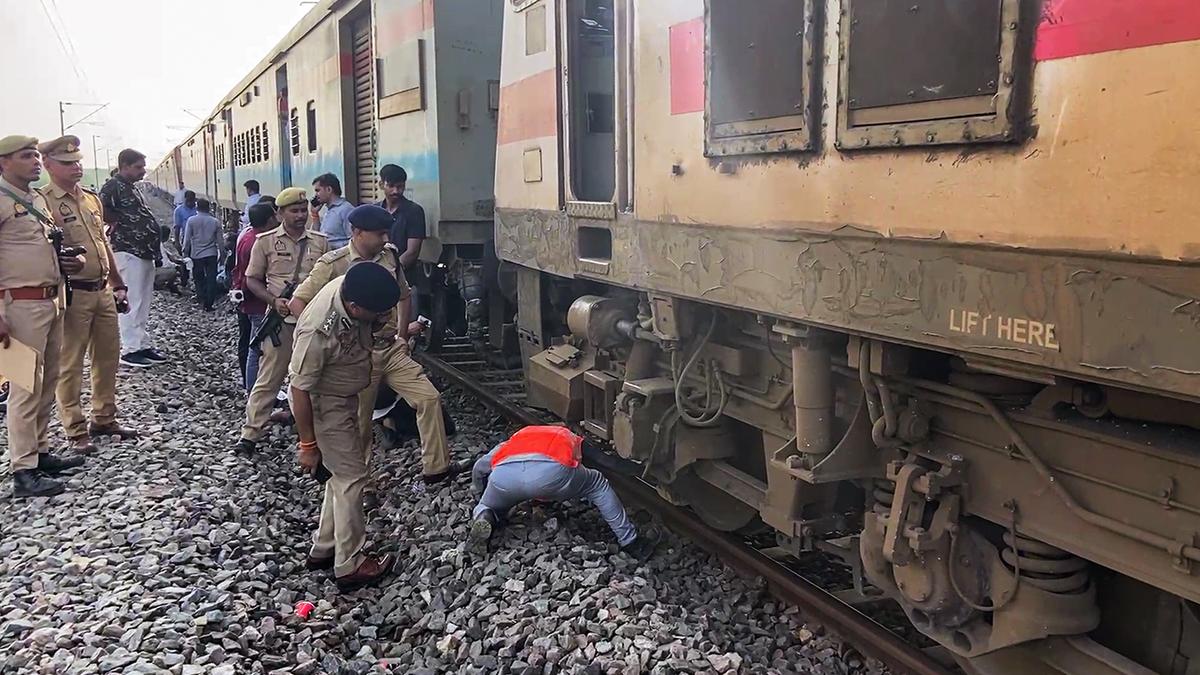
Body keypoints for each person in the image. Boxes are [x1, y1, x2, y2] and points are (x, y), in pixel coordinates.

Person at [289, 204, 460, 500]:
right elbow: (298, 303)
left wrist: (403, 334)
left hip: (390, 348)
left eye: (386, 232)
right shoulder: (334, 264)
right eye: (379, 233)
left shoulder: (390, 256)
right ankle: (362, 483)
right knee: (360, 420)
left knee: (429, 398)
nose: (385, 238)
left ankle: (437, 469)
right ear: (357, 233)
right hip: (355, 357)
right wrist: (328, 342)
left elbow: (404, 296)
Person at [291, 262, 403, 591]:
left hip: (345, 395)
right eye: (377, 312)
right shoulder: (318, 330)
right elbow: (299, 389)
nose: (383, 316)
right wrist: (308, 446)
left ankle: (324, 548)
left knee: (339, 477)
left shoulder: (354, 287)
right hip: (325, 403)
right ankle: (350, 564)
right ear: (355, 308)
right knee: (353, 477)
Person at [38, 135, 138, 452]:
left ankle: (104, 417)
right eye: (67, 163)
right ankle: (74, 429)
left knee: (107, 358)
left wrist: (119, 283)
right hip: (72, 294)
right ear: (48, 165)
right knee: (71, 363)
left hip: (102, 291)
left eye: (78, 162)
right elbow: (39, 250)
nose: (76, 167)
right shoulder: (43, 202)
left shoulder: (91, 199)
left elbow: (103, 243)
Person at [0, 135, 87, 497]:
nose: (36, 161)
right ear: (3, 163)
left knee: (47, 381)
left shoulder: (34, 199)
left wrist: (71, 261)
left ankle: (38, 452)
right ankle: (23, 471)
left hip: (50, 302)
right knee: (24, 388)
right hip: (17, 306)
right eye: (26, 156)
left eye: (37, 156)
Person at [231, 187, 329, 455]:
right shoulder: (265, 241)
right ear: (280, 213)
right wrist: (273, 300)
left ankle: (316, 430)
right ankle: (250, 434)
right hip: (281, 322)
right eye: (293, 211)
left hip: (312, 322)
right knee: (270, 377)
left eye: (302, 210)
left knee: (316, 377)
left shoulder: (320, 242)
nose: (300, 216)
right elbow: (252, 279)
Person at [469, 426, 657, 560]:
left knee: (486, 505)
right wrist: (646, 470)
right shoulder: (566, 434)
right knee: (597, 483)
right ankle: (631, 542)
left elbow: (479, 468)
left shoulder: (516, 439)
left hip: (505, 475)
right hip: (551, 474)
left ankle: (485, 518)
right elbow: (607, 462)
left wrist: (483, 495)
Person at [100, 149, 166, 369]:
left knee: (143, 300)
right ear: (124, 166)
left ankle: (141, 343)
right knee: (132, 300)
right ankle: (130, 350)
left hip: (142, 251)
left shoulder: (131, 188)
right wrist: (116, 221)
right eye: (138, 167)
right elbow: (99, 209)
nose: (142, 171)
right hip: (128, 250)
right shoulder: (113, 187)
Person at [234, 202, 276, 391]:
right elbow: (253, 277)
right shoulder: (257, 242)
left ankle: (253, 387)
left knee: (255, 347)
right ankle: (254, 389)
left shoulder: (247, 236)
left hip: (251, 302)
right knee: (257, 349)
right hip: (258, 303)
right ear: (269, 220)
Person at [379, 165, 426, 273]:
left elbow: (412, 252)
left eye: (400, 187)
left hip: (405, 276)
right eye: (391, 186)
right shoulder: (376, 211)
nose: (396, 191)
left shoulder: (414, 211)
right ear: (381, 185)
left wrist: (394, 272)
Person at [182, 198, 224, 311]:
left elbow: (187, 240)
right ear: (208, 208)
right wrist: (223, 257)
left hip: (196, 255)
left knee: (198, 278)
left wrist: (185, 253)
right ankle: (209, 304)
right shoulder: (215, 222)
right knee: (211, 279)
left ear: (196, 207)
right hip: (211, 254)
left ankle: (201, 298)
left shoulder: (191, 221)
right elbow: (220, 242)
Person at [310, 173, 353, 249]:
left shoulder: (346, 210)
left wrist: (332, 247)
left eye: (318, 190)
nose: (316, 195)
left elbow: (354, 240)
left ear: (329, 189)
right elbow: (316, 236)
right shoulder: (328, 210)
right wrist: (315, 214)